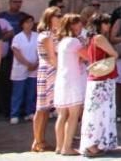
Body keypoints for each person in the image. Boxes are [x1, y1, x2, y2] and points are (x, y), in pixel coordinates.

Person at [80, 13, 119, 156]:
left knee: (98, 112)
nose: (108, 26)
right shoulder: (99, 38)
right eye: (106, 23)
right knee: (99, 113)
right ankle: (93, 145)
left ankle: (96, 143)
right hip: (102, 80)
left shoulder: (91, 38)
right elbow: (114, 53)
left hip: (98, 79)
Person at [53, 13, 85, 155]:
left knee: (62, 115)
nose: (80, 26)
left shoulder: (62, 41)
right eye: (78, 23)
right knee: (73, 115)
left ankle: (59, 146)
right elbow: (87, 56)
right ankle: (67, 147)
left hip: (62, 79)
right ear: (72, 25)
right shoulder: (74, 41)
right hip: (72, 80)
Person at [0, 0, 28, 117]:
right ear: (10, 3)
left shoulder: (24, 16)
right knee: (4, 82)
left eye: (19, 2)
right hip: (5, 54)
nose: (17, 4)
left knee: (18, 82)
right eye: (15, 2)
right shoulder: (2, 17)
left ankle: (18, 108)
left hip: (20, 54)